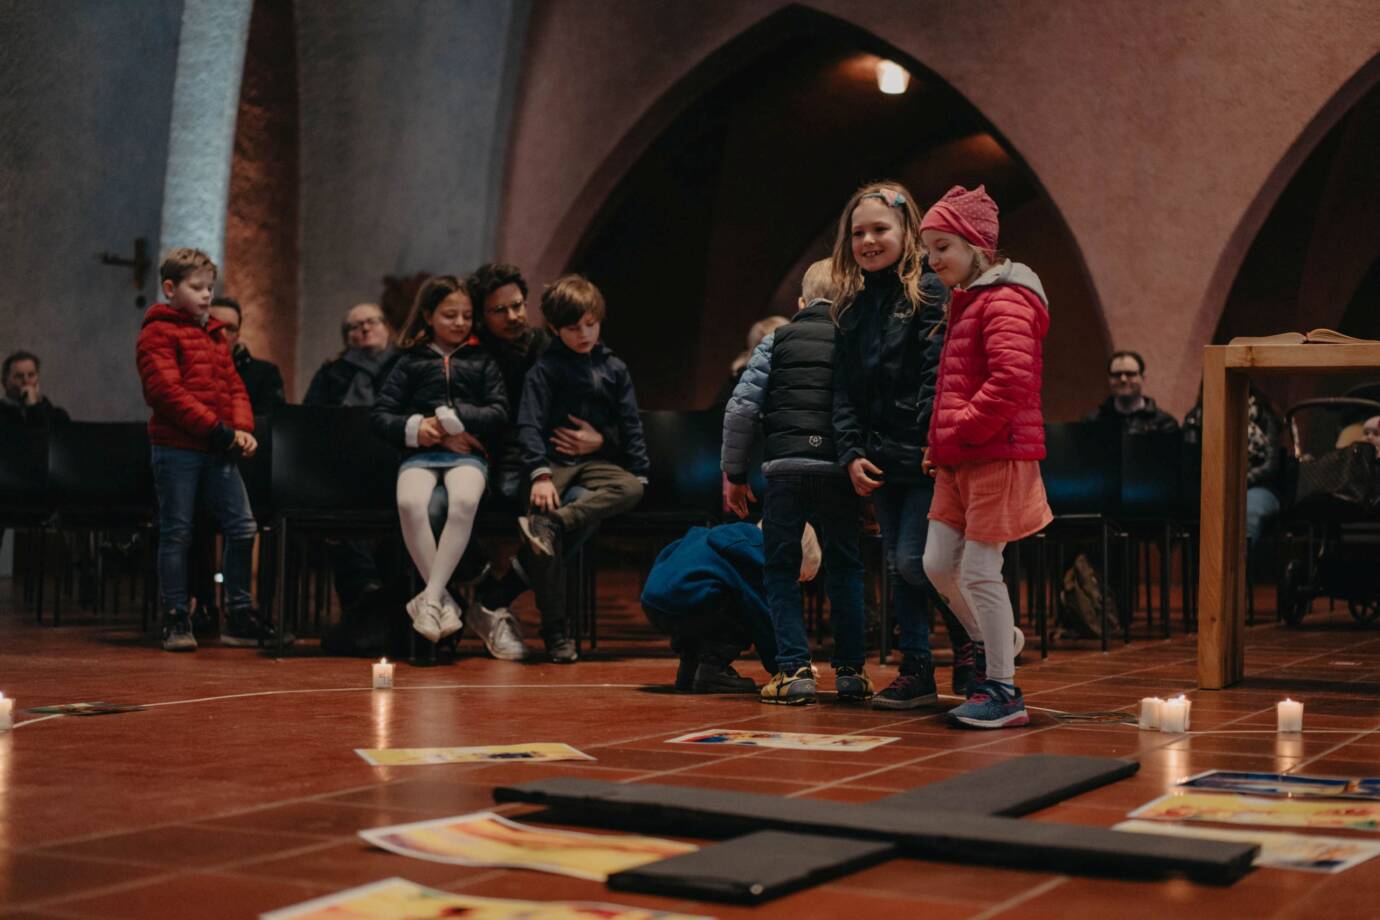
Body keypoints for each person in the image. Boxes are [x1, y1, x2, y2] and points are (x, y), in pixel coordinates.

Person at [830, 181, 975, 710]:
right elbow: (841, 388)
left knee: (917, 562)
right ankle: (918, 669)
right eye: (858, 233)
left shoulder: (928, 293)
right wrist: (849, 451)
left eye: (879, 230)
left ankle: (970, 644)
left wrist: (930, 442)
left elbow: (936, 376)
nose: (868, 241)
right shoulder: (850, 307)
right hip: (876, 456)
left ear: (908, 232)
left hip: (922, 454)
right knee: (897, 563)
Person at [919, 184, 1053, 729]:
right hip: (961, 456)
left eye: (943, 246)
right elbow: (955, 385)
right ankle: (997, 639)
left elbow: (1011, 380)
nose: (933, 260)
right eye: (928, 249)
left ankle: (1003, 688)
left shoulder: (1005, 299)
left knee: (978, 571)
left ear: (977, 245)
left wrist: (961, 431)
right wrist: (942, 445)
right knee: (934, 564)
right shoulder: (968, 301)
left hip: (995, 453)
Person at [722, 259, 870, 706]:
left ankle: (793, 670)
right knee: (845, 569)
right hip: (838, 470)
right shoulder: (854, 340)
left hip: (785, 470)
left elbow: (741, 409)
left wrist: (733, 474)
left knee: (780, 570)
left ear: (801, 302)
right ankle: (851, 673)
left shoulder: (776, 340)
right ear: (847, 301)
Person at [137, 247, 285, 651]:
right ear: (170, 288)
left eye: (210, 287)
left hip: (219, 448)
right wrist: (218, 431)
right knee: (177, 533)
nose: (206, 295)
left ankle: (238, 613)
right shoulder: (158, 332)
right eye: (196, 287)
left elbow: (234, 386)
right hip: (178, 448)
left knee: (243, 526)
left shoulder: (215, 333)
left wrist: (241, 428)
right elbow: (166, 392)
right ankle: (176, 617)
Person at [465, 262, 602, 661]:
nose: (513, 316)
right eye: (500, 310)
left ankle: (497, 595)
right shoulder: (473, 357)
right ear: (481, 315)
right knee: (546, 513)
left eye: (518, 305)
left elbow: (600, 403)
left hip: (555, 462)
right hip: (502, 464)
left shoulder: (550, 345)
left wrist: (599, 439)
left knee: (582, 505)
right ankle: (557, 631)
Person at [516, 274, 648, 662]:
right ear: (556, 329)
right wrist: (539, 473)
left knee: (632, 487)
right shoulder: (544, 370)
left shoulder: (614, 368)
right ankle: (556, 632)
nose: (585, 333)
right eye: (574, 328)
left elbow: (631, 425)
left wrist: (624, 457)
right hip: (555, 466)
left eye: (591, 324)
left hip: (595, 464)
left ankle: (554, 523)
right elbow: (529, 425)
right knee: (548, 529)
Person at [372, 275, 508, 644]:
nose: (460, 323)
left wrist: (455, 420)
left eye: (466, 315)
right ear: (429, 315)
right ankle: (441, 600)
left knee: (463, 501)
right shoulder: (409, 362)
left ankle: (430, 599)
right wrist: (419, 427)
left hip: (467, 454)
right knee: (409, 503)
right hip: (420, 452)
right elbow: (381, 414)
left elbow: (498, 412)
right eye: (450, 315)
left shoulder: (482, 361)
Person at [641, 521, 821, 693]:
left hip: (654, 600)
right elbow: (764, 619)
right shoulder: (757, 557)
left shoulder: (728, 536)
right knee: (744, 608)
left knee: (706, 592)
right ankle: (712, 671)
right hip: (691, 603)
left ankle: (689, 669)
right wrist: (788, 669)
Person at [1184, 385, 1282, 544]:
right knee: (1205, 511)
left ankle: (1241, 566)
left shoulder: (1261, 414)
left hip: (1257, 485)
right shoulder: (1197, 416)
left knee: (1247, 512)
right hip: (1210, 486)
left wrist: (1237, 482)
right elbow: (1190, 462)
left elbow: (1270, 464)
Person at [303, 303, 400, 408]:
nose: (366, 328)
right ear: (347, 337)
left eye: (372, 322)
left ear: (386, 328)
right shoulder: (331, 371)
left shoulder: (404, 365)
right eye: (356, 326)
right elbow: (310, 412)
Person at [207, 297, 284, 417]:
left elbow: (270, 424)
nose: (222, 333)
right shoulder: (185, 367)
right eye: (215, 326)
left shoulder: (265, 375)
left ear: (237, 335)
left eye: (230, 328)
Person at [1084, 351, 1179, 434]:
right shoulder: (1092, 422)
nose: (1123, 379)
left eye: (1130, 374)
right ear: (1109, 379)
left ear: (1143, 378)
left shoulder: (1164, 424)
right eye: (1116, 375)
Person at [1, 351, 71, 427]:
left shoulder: (57, 415)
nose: (26, 381)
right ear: (4, 382)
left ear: (37, 379)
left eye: (31, 375)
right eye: (19, 376)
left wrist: (34, 405)